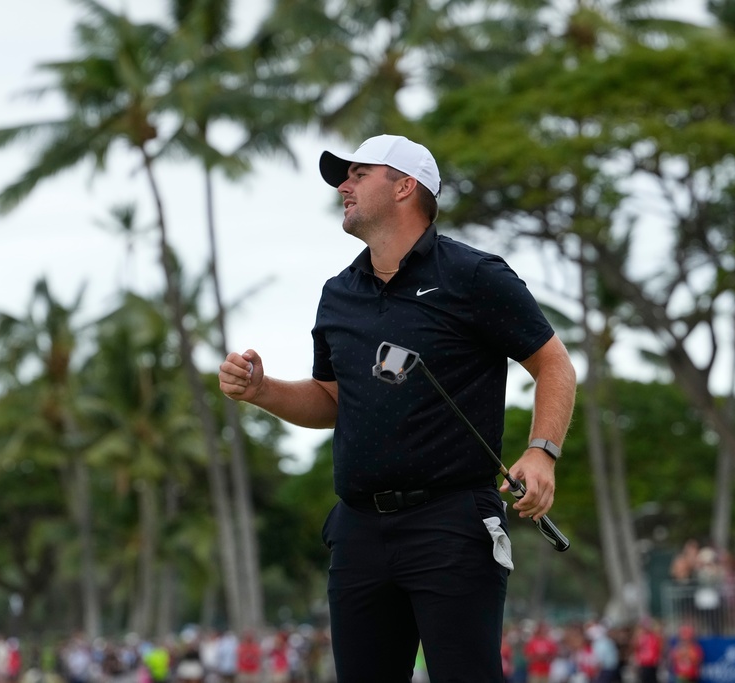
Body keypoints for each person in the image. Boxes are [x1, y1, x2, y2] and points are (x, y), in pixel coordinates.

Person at [219, 134, 576, 683]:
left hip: (452, 522)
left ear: (405, 186)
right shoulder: (338, 293)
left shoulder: (475, 275)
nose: (344, 186)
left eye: (359, 175)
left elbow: (553, 364)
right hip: (358, 529)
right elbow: (332, 401)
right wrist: (262, 391)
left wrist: (542, 451)